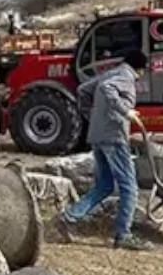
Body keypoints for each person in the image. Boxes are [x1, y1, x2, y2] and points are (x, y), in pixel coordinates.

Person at [54, 50, 152, 251]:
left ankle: (69, 216)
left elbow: (82, 90)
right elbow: (108, 89)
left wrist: (94, 118)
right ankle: (123, 234)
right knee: (129, 187)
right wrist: (126, 112)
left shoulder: (110, 73)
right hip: (114, 138)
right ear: (140, 69)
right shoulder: (126, 77)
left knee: (104, 185)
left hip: (98, 136)